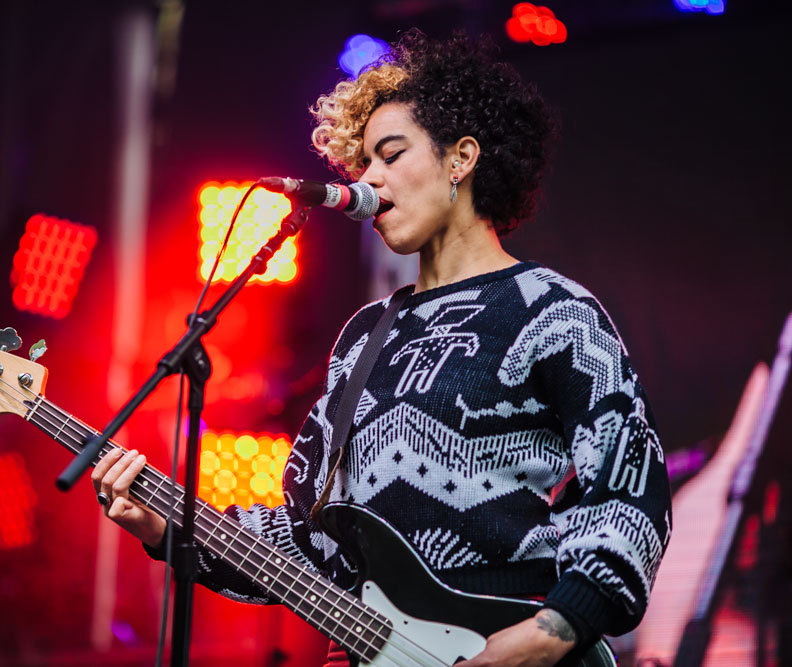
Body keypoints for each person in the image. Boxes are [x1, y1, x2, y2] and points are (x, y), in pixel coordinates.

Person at [91, 29, 672, 667]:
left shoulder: (553, 309)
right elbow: (307, 540)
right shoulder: (364, 337)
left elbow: (628, 487)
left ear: (463, 159)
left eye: (391, 155)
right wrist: (168, 529)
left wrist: (554, 630)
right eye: (363, 163)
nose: (369, 181)